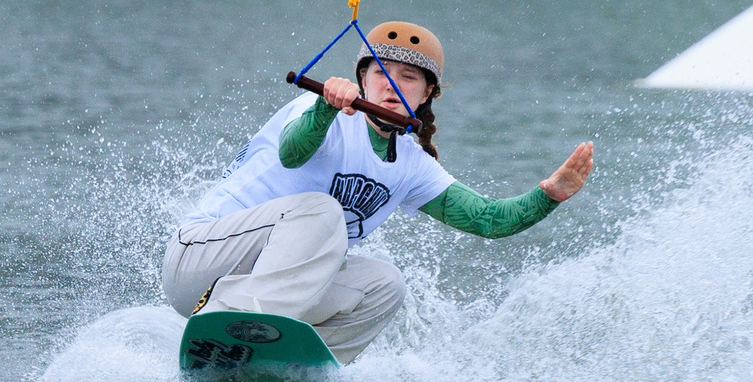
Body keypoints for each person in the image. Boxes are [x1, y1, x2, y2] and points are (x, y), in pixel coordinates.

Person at [161, 22, 593, 362]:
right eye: (378, 74)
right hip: (198, 260)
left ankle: (289, 372)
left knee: (385, 283)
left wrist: (550, 195)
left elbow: (490, 220)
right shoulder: (318, 114)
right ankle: (240, 322)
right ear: (361, 81)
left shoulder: (412, 164)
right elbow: (293, 154)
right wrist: (325, 109)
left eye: (407, 78)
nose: (390, 85)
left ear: (426, 95)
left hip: (264, 290)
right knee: (320, 210)